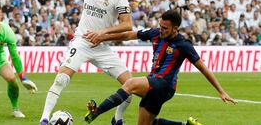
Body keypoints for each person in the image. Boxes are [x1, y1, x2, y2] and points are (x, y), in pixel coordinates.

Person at [84, 10, 237, 125]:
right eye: (160, 26)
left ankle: (97, 112)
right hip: (153, 85)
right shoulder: (155, 33)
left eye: (165, 28)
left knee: (130, 83)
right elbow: (128, 35)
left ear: (175, 28)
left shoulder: (183, 45)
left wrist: (221, 91)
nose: (161, 30)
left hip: (165, 85)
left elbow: (203, 68)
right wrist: (104, 37)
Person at [39, 0, 133, 125]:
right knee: (61, 79)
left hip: (102, 45)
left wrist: (102, 34)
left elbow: (127, 25)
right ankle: (44, 119)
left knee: (131, 85)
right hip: (82, 42)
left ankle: (117, 119)